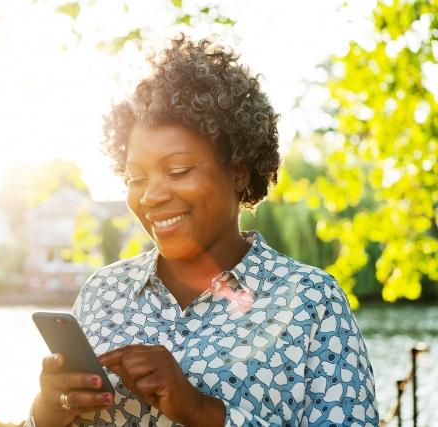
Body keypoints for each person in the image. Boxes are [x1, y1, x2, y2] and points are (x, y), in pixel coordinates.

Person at [28, 35, 379, 426]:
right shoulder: (102, 293)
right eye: (136, 177)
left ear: (238, 172)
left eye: (177, 171)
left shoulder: (310, 301)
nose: (151, 197)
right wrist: (47, 411)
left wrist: (200, 410)